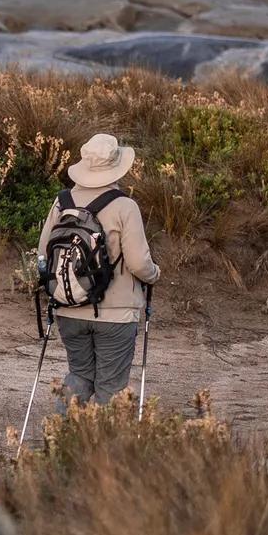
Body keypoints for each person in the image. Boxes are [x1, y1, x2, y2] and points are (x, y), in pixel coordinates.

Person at [35, 132, 161, 403]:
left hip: (68, 308)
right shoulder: (125, 206)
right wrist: (155, 274)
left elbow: (43, 255)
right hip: (116, 316)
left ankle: (61, 437)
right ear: (116, 168)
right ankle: (103, 444)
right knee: (111, 389)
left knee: (79, 376)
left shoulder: (63, 202)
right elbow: (139, 264)